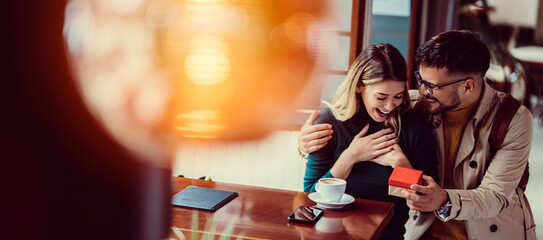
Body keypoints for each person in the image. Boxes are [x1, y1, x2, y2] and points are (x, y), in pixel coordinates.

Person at [299, 30, 536, 239]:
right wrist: (306, 143)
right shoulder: (410, 105)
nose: (421, 91)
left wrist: (439, 197)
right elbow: (313, 189)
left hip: (486, 230)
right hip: (424, 231)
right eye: (420, 80)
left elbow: (494, 196)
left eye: (431, 85)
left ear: (467, 86)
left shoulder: (513, 119)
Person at [303, 43, 438, 240]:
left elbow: (426, 206)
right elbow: (309, 197)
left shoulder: (412, 127)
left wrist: (400, 165)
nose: (390, 106)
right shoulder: (330, 123)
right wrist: (351, 157)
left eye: (398, 96)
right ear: (359, 86)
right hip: (329, 235)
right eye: (381, 97)